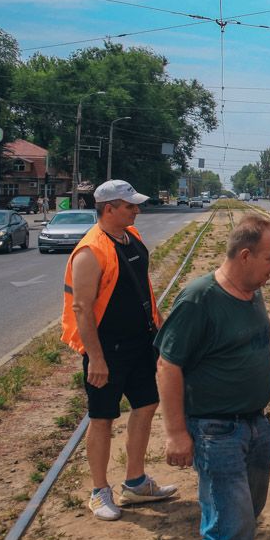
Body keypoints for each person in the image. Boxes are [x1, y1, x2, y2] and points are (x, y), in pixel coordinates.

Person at [155, 216, 270, 540]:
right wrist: (177, 434)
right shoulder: (199, 299)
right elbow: (168, 365)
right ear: (245, 255)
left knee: (245, 515)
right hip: (216, 431)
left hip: (255, 426)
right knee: (226, 523)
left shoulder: (252, 290)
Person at [61, 179, 177, 521]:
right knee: (101, 418)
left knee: (146, 404)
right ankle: (99, 491)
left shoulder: (132, 238)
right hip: (107, 349)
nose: (136, 210)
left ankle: (136, 482)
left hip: (141, 342)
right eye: (130, 206)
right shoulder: (90, 251)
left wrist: (161, 328)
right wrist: (95, 358)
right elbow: (82, 308)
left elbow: (143, 290)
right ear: (108, 208)